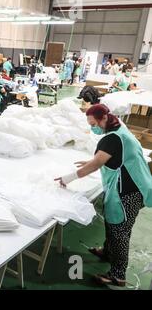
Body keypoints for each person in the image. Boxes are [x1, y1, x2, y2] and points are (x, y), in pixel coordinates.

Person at [55, 104, 152, 287]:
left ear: (103, 118)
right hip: (137, 185)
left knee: (120, 232)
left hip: (128, 192)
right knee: (113, 223)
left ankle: (118, 275)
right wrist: (95, 160)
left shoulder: (112, 139)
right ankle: (108, 252)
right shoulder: (119, 128)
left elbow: (95, 164)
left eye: (94, 124)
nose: (93, 127)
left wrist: (67, 178)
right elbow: (110, 157)